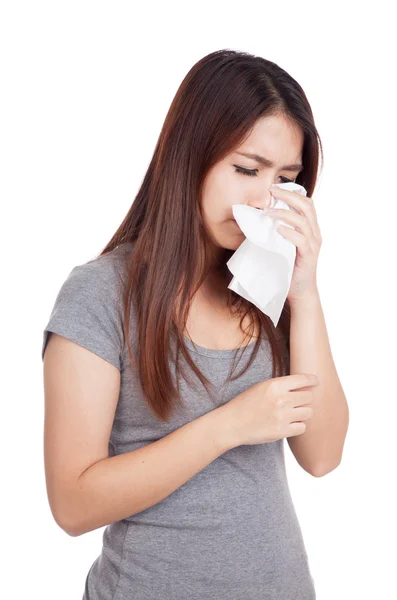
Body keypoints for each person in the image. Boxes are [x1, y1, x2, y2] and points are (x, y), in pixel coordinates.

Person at [42, 49, 324, 599]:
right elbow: (72, 505)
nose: (263, 200)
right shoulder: (100, 295)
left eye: (285, 180)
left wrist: (306, 291)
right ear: (188, 156)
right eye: (246, 169)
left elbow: (322, 455)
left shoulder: (266, 285)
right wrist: (228, 427)